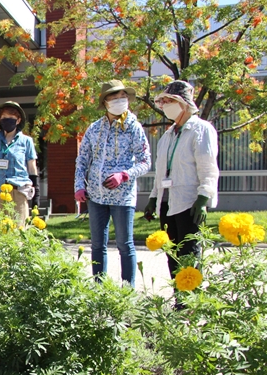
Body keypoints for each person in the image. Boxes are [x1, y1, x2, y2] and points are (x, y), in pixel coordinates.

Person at [74, 80, 151, 287]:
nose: (119, 100)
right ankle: (99, 289)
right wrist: (79, 186)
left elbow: (145, 162)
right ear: (105, 102)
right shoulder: (94, 128)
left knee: (125, 245)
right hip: (95, 196)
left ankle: (127, 290)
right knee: (98, 245)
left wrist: (124, 175)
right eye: (114, 97)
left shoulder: (134, 127)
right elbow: (82, 160)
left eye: (123, 97)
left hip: (122, 197)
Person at [144, 80, 219, 277]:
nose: (165, 105)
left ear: (183, 103)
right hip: (167, 203)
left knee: (189, 253)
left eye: (170, 101)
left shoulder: (201, 129)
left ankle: (192, 295)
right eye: (163, 101)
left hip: (189, 203)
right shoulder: (167, 135)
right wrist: (153, 198)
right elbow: (161, 171)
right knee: (173, 255)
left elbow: (208, 167)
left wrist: (203, 198)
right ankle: (179, 294)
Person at [0, 101, 39, 221]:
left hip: (18, 191)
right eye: (4, 117)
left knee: (18, 229)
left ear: (18, 120)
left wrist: (36, 194)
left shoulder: (26, 141)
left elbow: (32, 167)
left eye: (11, 117)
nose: (7, 120)